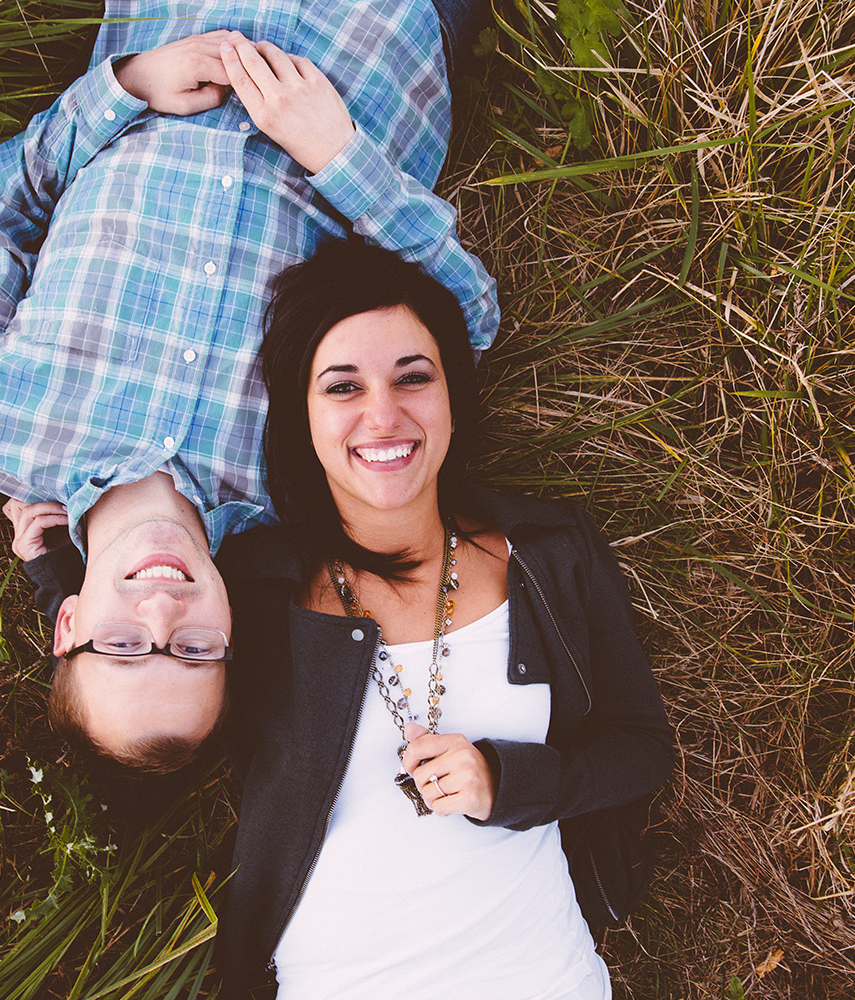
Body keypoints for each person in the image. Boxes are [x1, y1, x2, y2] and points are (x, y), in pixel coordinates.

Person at [0, 0, 499, 771]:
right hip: (379, 36)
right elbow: (461, 322)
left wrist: (128, 85)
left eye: (127, 645)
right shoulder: (303, 477)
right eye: (194, 650)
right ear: (232, 634)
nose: (163, 609)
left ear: (68, 625)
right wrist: (338, 156)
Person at [212, 240, 677, 998]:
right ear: (302, 418)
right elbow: (147, 695)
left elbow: (641, 748)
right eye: (342, 387)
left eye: (413, 378)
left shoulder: (550, 553)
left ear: (453, 398)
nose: (383, 415)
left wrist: (510, 781)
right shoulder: (256, 586)